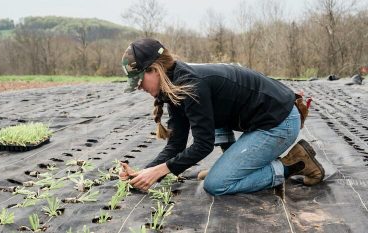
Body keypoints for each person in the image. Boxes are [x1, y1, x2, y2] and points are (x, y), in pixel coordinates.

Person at [119, 38, 325, 195]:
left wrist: (157, 172)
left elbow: (203, 145)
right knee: (218, 160)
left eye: (139, 81)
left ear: (154, 70)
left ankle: (295, 163)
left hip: (279, 123)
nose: (140, 88)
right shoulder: (173, 86)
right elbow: (176, 145)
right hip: (262, 119)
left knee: (217, 184)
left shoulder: (190, 85)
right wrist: (143, 174)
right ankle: (232, 167)